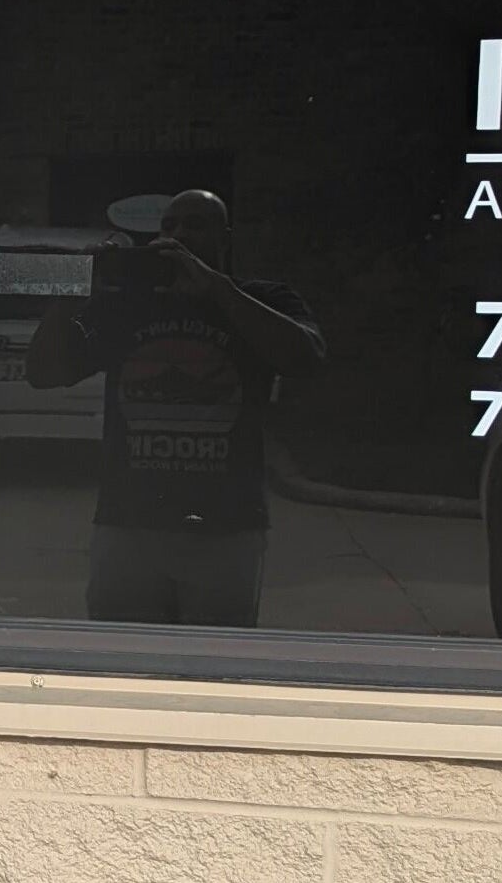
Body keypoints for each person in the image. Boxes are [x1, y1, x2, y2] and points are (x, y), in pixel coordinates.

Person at [24, 189, 322, 627]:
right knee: (123, 668)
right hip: (128, 524)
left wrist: (215, 289)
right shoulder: (128, 308)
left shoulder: (259, 299)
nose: (179, 235)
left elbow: (307, 357)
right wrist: (73, 292)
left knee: (213, 670)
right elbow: (43, 372)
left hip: (225, 529)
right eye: (169, 227)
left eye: (196, 225)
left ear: (226, 238)